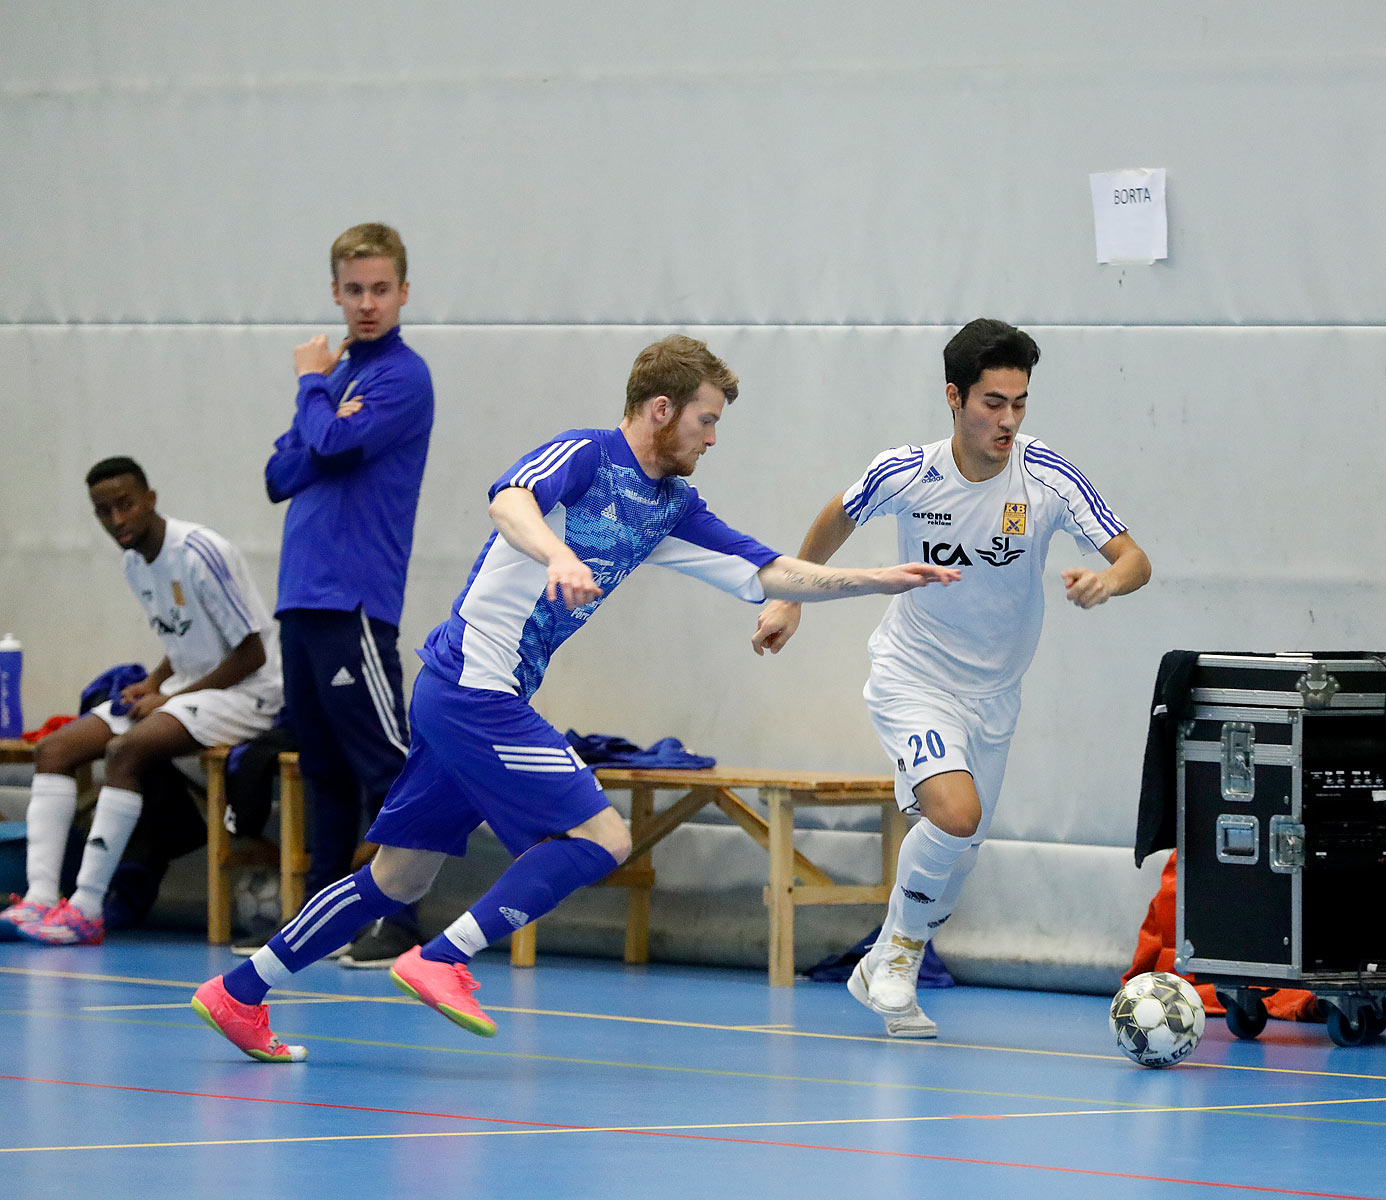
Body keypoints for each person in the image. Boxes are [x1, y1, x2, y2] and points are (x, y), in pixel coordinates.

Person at [191, 334, 960, 1063]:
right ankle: (442, 960)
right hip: (472, 688)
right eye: (707, 420)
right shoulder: (586, 454)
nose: (713, 438)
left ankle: (240, 990)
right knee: (603, 838)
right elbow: (509, 501)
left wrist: (876, 581)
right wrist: (559, 552)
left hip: (470, 698)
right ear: (661, 409)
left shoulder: (670, 506)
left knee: (398, 879)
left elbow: (770, 573)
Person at [751, 318, 1151, 1038]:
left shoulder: (1047, 476)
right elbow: (833, 521)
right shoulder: (908, 471)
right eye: (993, 402)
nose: (1008, 419)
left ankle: (885, 958)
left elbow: (1134, 558)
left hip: (995, 696)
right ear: (954, 397)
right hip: (914, 676)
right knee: (955, 814)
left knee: (958, 856)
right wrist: (790, 598)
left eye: (1020, 403)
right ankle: (897, 957)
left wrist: (1107, 582)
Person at [1, 458, 283, 945]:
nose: (117, 520)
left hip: (249, 693)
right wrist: (154, 683)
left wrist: (169, 700)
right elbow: (183, 642)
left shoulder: (198, 552)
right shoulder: (135, 563)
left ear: (150, 500)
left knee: (126, 751)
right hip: (192, 690)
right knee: (56, 750)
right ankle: (40, 901)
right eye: (103, 512)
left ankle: (86, 908)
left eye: (126, 505)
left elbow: (251, 654)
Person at [253, 222, 434, 967]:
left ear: (402, 293)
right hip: (301, 596)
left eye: (380, 290)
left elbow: (323, 447)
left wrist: (310, 395)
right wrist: (325, 411)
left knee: (385, 763)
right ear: (335, 292)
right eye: (354, 290)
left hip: (353, 600)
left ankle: (402, 919)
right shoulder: (341, 380)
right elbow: (279, 474)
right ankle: (319, 927)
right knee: (321, 769)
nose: (366, 304)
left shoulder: (401, 376)